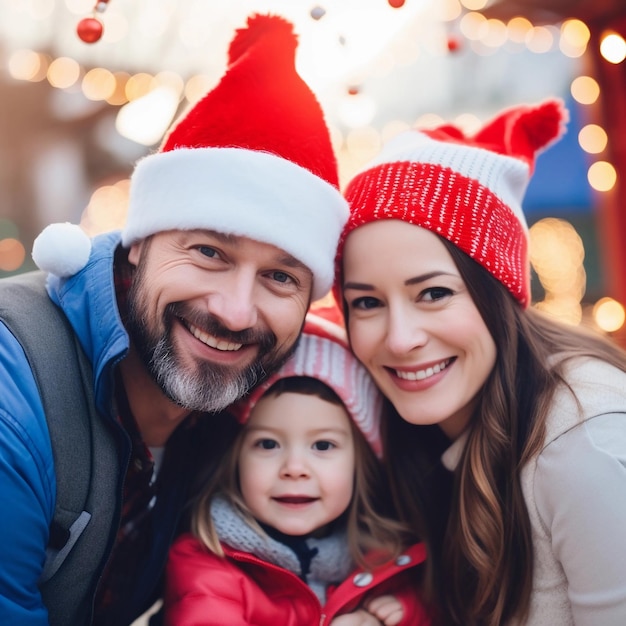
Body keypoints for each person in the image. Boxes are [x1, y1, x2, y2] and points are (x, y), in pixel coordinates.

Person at [0, 13, 350, 626]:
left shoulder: (271, 406)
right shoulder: (17, 391)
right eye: (209, 253)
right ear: (139, 244)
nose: (235, 312)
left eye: (281, 276)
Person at [334, 98, 626, 626]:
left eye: (434, 294)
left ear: (499, 293)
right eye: (367, 303)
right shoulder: (407, 432)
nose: (400, 340)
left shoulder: (588, 446)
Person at [163, 306, 430, 626]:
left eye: (322, 445)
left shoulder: (384, 561)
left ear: (361, 465)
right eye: (268, 444)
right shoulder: (205, 565)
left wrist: (399, 614)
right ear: (235, 459)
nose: (294, 468)